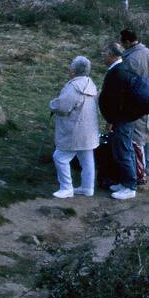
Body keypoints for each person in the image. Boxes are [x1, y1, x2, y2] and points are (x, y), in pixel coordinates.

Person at [48, 55, 99, 198]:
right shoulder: (91, 84)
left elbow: (63, 106)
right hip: (89, 130)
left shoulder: (74, 86)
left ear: (74, 71)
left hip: (75, 130)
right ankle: (87, 188)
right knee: (87, 159)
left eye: (71, 66)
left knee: (60, 157)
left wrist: (52, 105)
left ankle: (66, 188)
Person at [98, 42, 139, 201]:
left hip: (120, 120)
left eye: (105, 54)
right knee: (124, 149)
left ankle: (130, 186)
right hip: (124, 119)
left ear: (112, 55)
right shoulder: (121, 69)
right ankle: (126, 182)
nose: (103, 56)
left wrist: (110, 120)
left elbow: (115, 102)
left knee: (123, 151)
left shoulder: (117, 73)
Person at [119, 28, 149, 180]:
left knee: (137, 136)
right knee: (148, 131)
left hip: (136, 98)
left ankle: (139, 170)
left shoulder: (130, 58)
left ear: (128, 42)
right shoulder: (148, 52)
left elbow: (126, 82)